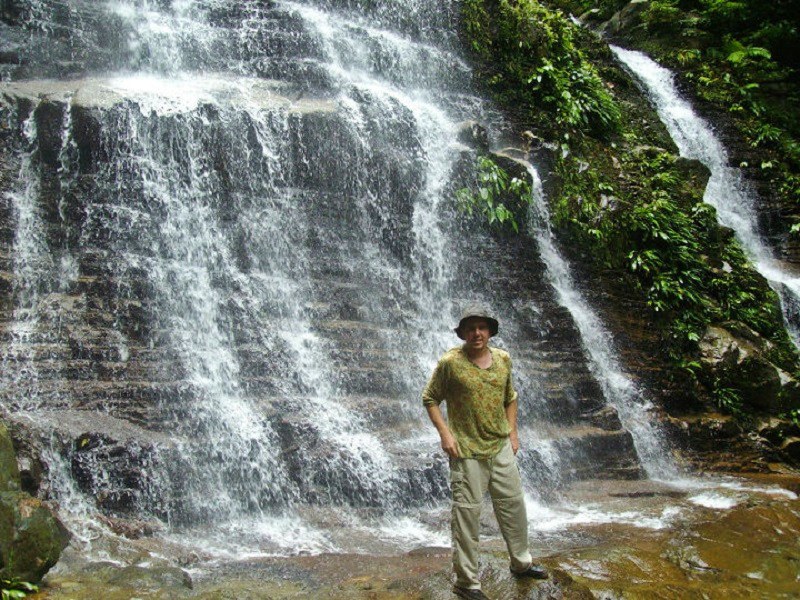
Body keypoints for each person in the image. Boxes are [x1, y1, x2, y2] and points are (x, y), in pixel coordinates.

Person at [422, 305, 548, 600]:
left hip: (500, 446)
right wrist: (445, 434)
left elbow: (511, 397)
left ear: (490, 331)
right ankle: (466, 583)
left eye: (482, 327)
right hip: (466, 451)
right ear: (463, 333)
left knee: (514, 506)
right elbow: (429, 398)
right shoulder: (450, 363)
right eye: (471, 328)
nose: (476, 333)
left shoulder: (503, 359)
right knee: (467, 516)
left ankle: (521, 562)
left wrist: (513, 432)